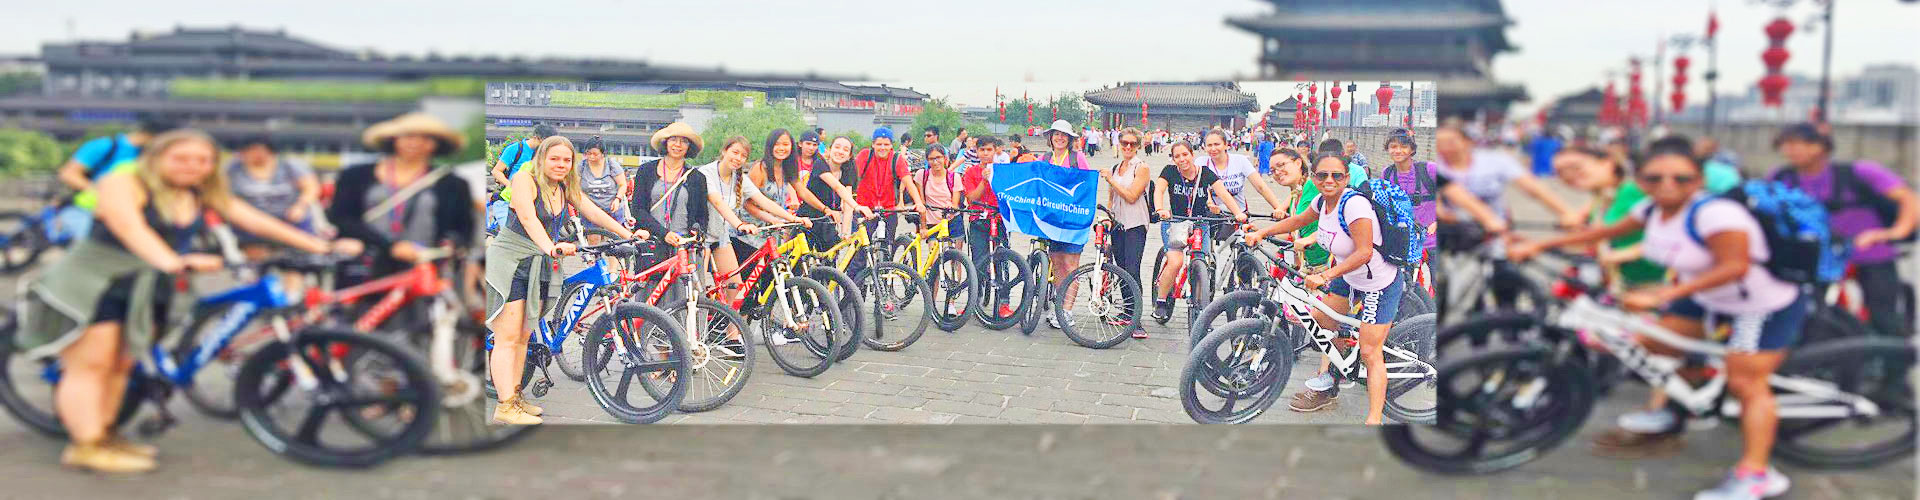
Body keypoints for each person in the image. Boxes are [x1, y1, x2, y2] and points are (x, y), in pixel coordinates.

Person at [19, 130, 358, 473]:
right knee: (93, 365)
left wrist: (320, 246)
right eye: (181, 158)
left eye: (203, 160)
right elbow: (131, 229)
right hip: (94, 282)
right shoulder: (122, 182)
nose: (193, 166)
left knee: (123, 364)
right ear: (157, 157)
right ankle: (84, 447)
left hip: (145, 285)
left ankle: (105, 435)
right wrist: (173, 262)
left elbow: (253, 219)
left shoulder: (199, 191)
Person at [1509, 135, 1807, 500]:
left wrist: (1664, 294)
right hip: (1704, 296)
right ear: (1641, 180)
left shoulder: (1716, 214)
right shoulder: (1651, 209)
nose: (1666, 186)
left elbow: (1735, 266)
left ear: (1698, 181)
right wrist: (1538, 244)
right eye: (1654, 178)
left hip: (1757, 304)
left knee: (1747, 385)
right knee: (1655, 342)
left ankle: (1758, 474)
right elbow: (1602, 232)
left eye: (1680, 179)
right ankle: (1681, 406)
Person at [484, 135, 637, 426]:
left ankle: (514, 397)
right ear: (542, 158)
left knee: (525, 335)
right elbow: (528, 220)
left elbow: (592, 211)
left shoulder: (565, 184)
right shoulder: (524, 179)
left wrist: (629, 233)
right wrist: (551, 247)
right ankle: (504, 406)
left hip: (540, 262)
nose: (561, 165)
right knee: (509, 336)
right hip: (511, 262)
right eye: (554, 158)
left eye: (567, 160)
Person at [1244, 152, 1405, 425]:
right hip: (1349, 276)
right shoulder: (1322, 202)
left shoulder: (1354, 206)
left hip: (1378, 281)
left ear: (1346, 178)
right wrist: (1262, 232)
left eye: (1337, 175)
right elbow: (1296, 221)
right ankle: (1335, 374)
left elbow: (1364, 252)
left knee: (1370, 352)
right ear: (1314, 177)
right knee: (1323, 321)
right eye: (1322, 175)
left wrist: (1326, 275)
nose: (1329, 180)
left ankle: (1374, 418)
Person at [1767, 123, 1918, 337]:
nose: (1790, 150)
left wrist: (1895, 233)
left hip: (1870, 255)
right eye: (1785, 144)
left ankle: (1892, 363)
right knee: (1809, 314)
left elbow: (1909, 199)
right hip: (1816, 259)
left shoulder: (1859, 172)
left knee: (1884, 317)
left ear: (1821, 146)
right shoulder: (1781, 178)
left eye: (1798, 143)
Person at [1149, 142, 1246, 323]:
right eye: (1177, 156)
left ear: (1192, 154)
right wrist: (1160, 209)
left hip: (1200, 223)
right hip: (1175, 221)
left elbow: (1223, 193)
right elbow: (1159, 190)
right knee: (1176, 261)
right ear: (1173, 159)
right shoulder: (1169, 171)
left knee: (1203, 260)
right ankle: (1161, 301)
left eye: (1185, 154)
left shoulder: (1205, 173)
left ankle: (1200, 304)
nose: (1182, 159)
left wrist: (1238, 213)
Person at [701, 136, 810, 295]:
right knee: (697, 291)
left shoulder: (739, 178)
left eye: (743, 156)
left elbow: (763, 201)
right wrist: (740, 224)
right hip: (700, 239)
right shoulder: (705, 173)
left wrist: (792, 218)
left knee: (737, 290)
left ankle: (732, 320)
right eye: (735, 152)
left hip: (720, 237)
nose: (738, 158)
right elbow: (718, 203)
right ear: (724, 151)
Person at [1433, 124, 1584, 229]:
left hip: (1495, 227)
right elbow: (1448, 192)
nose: (1445, 148)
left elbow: (1532, 188)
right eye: (1439, 143)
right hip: (1447, 230)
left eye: (1451, 142)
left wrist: (1566, 212)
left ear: (1468, 142)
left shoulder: (1496, 160)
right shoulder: (1431, 165)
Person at [56, 116, 178, 240]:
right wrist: (105, 193)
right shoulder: (106, 146)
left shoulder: (151, 155)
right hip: (89, 210)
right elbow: (68, 174)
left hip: (132, 213)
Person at [1034, 120, 1102, 329]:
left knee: (1071, 265)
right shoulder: (1044, 158)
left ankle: (1067, 311)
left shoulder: (1077, 158)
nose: (1060, 138)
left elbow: (1088, 186)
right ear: (1050, 137)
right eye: (1056, 134)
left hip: (1073, 220)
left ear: (1070, 139)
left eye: (1064, 135)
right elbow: (1034, 182)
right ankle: (1059, 308)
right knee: (1058, 266)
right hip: (1052, 221)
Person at [224, 136, 320, 261]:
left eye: (260, 151)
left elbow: (311, 187)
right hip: (252, 220)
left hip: (289, 217)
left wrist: (300, 206)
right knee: (254, 252)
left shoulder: (289, 165)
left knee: (297, 257)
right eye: (251, 151)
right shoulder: (233, 168)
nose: (256, 155)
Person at [628, 123, 708, 271]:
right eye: (673, 140)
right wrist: (664, 233)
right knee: (652, 291)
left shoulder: (697, 178)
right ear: (665, 143)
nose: (678, 145)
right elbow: (638, 209)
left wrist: (697, 233)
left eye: (684, 141)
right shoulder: (646, 171)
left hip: (684, 247)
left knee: (686, 293)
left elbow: (702, 216)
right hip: (652, 243)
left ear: (689, 146)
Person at [1103, 128, 1153, 338]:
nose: (1128, 147)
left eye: (1132, 144)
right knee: (1121, 268)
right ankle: (1126, 310)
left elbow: (1132, 196)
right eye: (1124, 143)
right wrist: (1107, 215)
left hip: (1135, 224)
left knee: (1132, 269)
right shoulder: (1117, 167)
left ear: (1138, 146)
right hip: (1118, 223)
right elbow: (1112, 197)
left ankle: (1137, 319)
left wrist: (1110, 179)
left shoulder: (1141, 168)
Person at [736, 129, 812, 262]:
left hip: (773, 231)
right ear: (770, 146)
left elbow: (803, 192)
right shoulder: (760, 169)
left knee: (774, 277)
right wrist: (772, 218)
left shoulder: (786, 169)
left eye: (785, 144)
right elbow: (747, 204)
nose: (781, 148)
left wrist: (825, 209)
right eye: (777, 144)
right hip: (751, 234)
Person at [1195, 129, 1285, 236]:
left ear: (1226, 145)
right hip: (1212, 213)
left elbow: (1261, 187)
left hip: (1239, 213)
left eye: (1217, 144)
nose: (1213, 148)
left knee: (1243, 244)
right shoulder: (1201, 162)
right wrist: (1210, 203)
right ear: (1204, 147)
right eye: (1209, 145)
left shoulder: (1240, 161)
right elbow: (1201, 187)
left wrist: (1279, 208)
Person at [797, 136, 871, 251]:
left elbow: (847, 203)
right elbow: (837, 187)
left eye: (846, 150)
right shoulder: (820, 164)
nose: (840, 151)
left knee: (830, 261)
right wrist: (857, 206)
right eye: (837, 147)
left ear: (849, 156)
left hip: (828, 220)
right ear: (829, 150)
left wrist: (845, 232)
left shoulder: (847, 171)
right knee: (800, 262)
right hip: (808, 217)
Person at [853, 127, 918, 249]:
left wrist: (919, 203)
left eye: (886, 144)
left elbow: (909, 182)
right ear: (873, 144)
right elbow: (852, 178)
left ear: (891, 145)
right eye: (879, 144)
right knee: (860, 250)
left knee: (887, 248)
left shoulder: (896, 159)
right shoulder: (865, 156)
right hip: (866, 209)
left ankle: (886, 266)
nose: (882, 148)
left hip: (888, 210)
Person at [576, 137, 628, 245]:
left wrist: (617, 199)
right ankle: (596, 261)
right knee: (593, 238)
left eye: (595, 154)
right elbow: (575, 187)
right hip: (591, 208)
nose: (591, 156)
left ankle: (614, 261)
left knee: (614, 239)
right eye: (588, 153)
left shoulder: (612, 165)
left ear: (603, 154)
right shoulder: (582, 166)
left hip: (611, 206)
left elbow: (622, 185)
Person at [490, 123, 556, 202]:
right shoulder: (515, 149)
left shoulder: (546, 153)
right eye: (545, 143)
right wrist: (510, 185)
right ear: (536, 137)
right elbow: (496, 171)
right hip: (513, 196)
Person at [910, 145, 965, 239]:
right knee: (933, 252)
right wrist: (923, 227)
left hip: (952, 220)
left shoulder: (954, 177)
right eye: (931, 159)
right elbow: (922, 204)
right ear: (927, 160)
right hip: (932, 222)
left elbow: (955, 204)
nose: (935, 162)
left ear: (945, 158)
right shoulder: (922, 175)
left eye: (938, 157)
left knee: (955, 253)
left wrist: (951, 207)